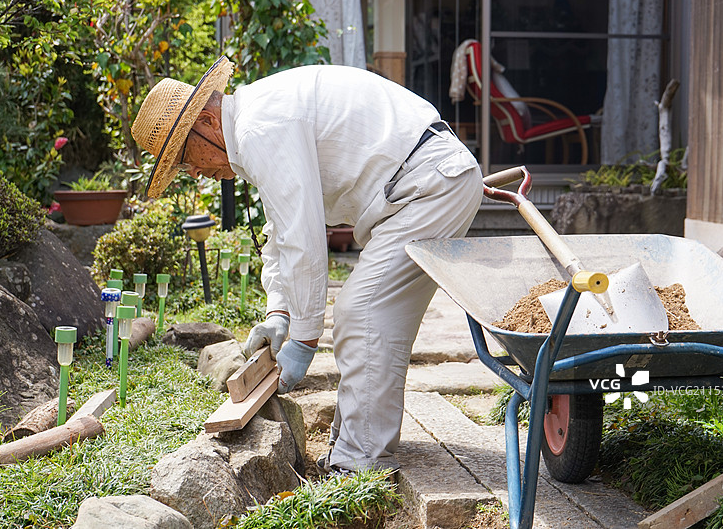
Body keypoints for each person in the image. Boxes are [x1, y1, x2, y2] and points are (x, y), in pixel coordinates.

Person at [131, 55, 483, 473]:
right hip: (422, 184)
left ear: (206, 123)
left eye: (185, 156)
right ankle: (349, 448)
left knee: (363, 312)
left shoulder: (260, 127)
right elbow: (281, 231)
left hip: (430, 185)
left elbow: (303, 238)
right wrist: (279, 312)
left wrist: (304, 340)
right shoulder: (254, 123)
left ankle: (356, 464)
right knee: (371, 316)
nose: (193, 171)